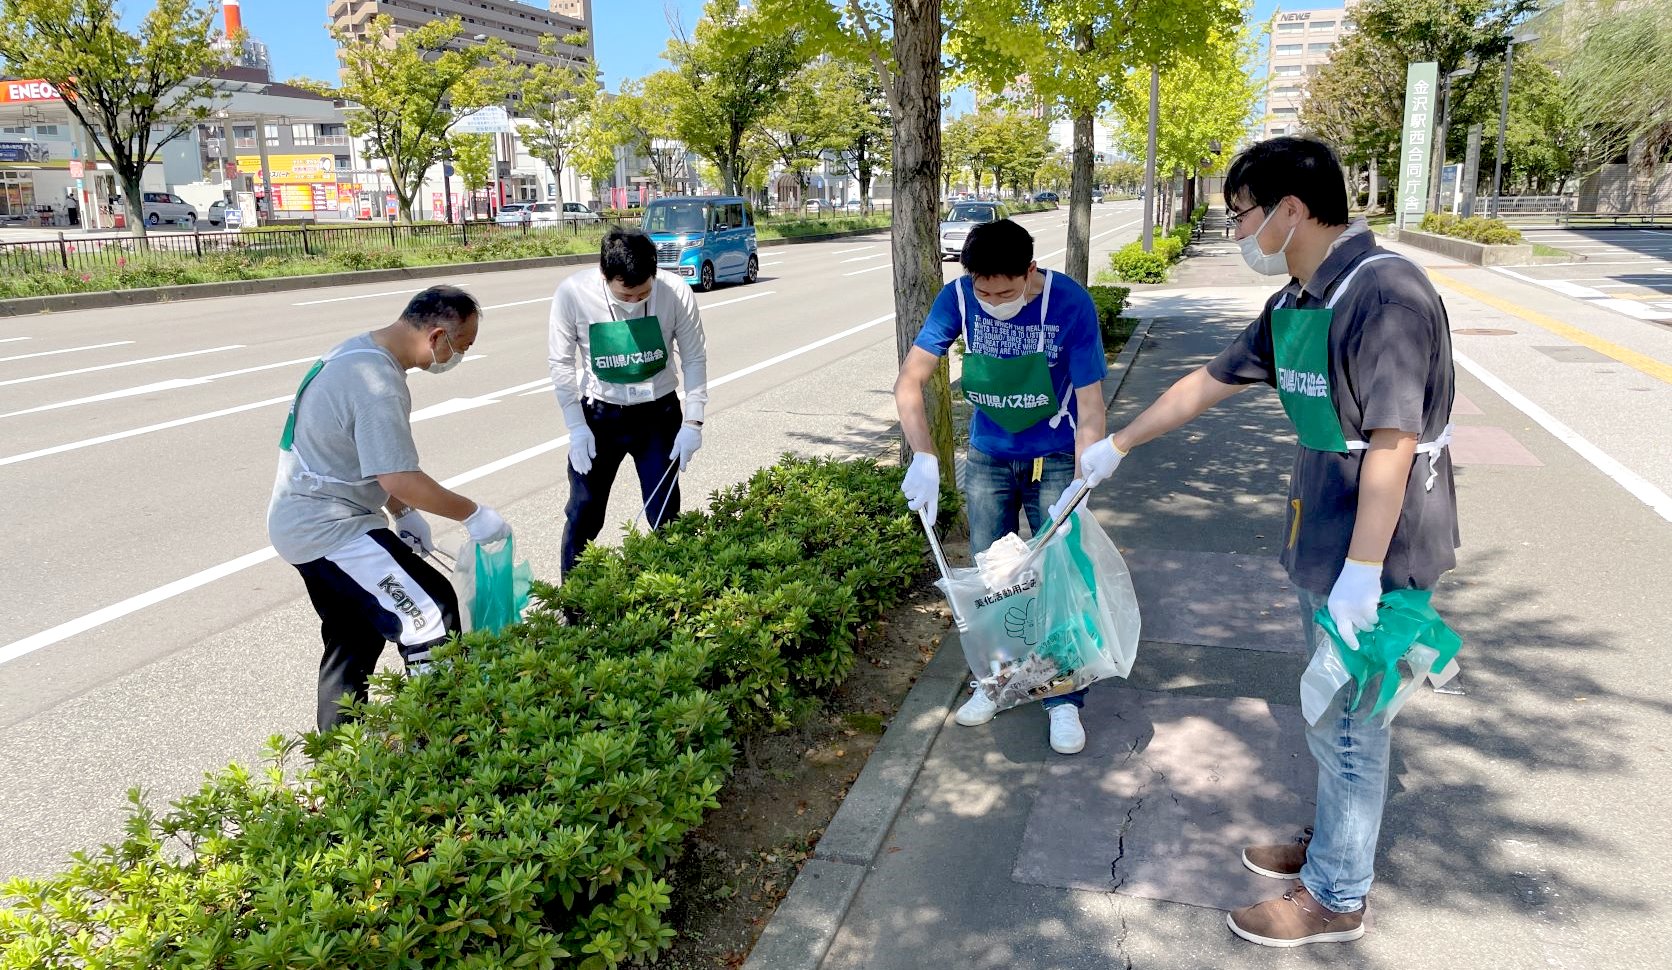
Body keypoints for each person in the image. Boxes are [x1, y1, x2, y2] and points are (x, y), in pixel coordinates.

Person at [1075, 136, 1459, 947]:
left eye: (1241, 212)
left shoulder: (1383, 295)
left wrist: (1362, 572)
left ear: (1292, 207)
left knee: (1353, 717)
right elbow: (1208, 382)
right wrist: (1119, 446)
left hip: (1379, 549)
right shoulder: (1298, 298)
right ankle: (1333, 845)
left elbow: (1393, 441)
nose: (1237, 230)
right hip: (1324, 530)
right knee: (1327, 706)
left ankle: (1337, 895)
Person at [895, 218, 1108, 755]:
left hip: (1055, 456)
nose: (992, 301)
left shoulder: (1069, 303)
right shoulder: (959, 297)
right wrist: (923, 455)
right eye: (983, 290)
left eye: (1006, 291)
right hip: (990, 454)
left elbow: (1090, 402)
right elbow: (911, 380)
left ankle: (1063, 699)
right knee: (992, 576)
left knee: (1057, 575)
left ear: (1030, 271)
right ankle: (996, 680)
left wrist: (1084, 480)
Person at [267, 285, 512, 732]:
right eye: (462, 347)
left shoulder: (359, 353)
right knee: (431, 614)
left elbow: (371, 464)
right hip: (329, 528)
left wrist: (401, 514)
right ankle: (439, 748)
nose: (459, 357)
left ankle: (340, 756)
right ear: (437, 337)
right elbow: (399, 477)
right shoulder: (377, 385)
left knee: (353, 636)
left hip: (303, 520)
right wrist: (473, 515)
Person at [548, 227, 708, 576]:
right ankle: (573, 606)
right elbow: (561, 364)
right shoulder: (573, 294)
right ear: (605, 276)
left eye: (643, 293)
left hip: (658, 415)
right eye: (625, 295)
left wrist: (693, 422)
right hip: (601, 417)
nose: (634, 302)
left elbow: (693, 357)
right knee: (584, 512)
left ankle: (674, 598)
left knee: (664, 513)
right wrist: (576, 427)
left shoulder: (675, 292)